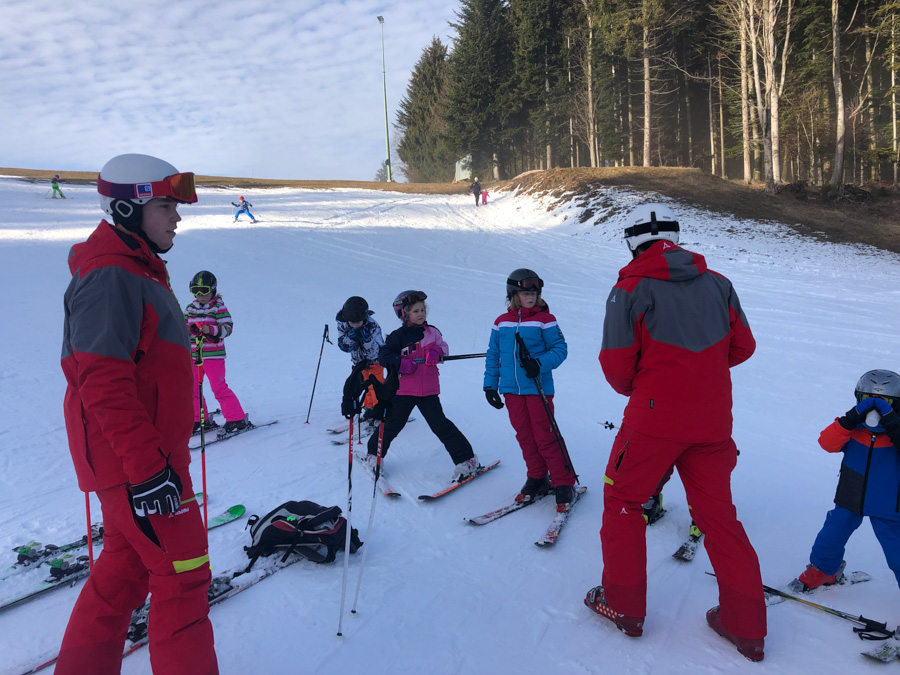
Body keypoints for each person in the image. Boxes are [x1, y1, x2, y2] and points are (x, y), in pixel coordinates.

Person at [58, 153, 218, 674]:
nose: (177, 218)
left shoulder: (137, 269)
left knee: (123, 575)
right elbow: (101, 381)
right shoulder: (111, 276)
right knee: (185, 575)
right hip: (143, 470)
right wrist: (149, 470)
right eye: (168, 206)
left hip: (145, 464)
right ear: (128, 208)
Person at [585, 203, 765, 662]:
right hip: (712, 422)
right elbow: (743, 346)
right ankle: (747, 628)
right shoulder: (718, 283)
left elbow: (617, 366)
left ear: (632, 244)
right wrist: (698, 372)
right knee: (719, 518)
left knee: (623, 502)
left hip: (653, 421)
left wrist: (657, 383)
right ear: (677, 239)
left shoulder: (628, 289)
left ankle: (624, 608)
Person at [793, 369, 900, 592]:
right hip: (850, 495)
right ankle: (824, 570)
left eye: (885, 401)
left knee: (897, 551)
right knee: (832, 533)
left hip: (889, 503)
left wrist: (894, 426)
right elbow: (827, 443)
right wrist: (849, 419)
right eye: (867, 400)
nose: (875, 407)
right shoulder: (853, 428)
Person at [483, 268, 576, 511]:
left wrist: (540, 364)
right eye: (526, 292)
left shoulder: (545, 319)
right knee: (524, 436)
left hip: (537, 388)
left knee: (545, 436)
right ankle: (537, 477)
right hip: (511, 390)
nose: (532, 296)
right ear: (514, 294)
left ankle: (563, 481)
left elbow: (560, 348)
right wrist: (490, 385)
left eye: (535, 292)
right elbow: (493, 355)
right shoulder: (501, 322)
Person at [365, 290, 480, 482]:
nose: (421, 314)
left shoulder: (432, 332)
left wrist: (436, 351)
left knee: (440, 425)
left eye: (422, 310)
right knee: (393, 424)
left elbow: (444, 347)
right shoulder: (397, 336)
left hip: (428, 390)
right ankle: (373, 455)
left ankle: (466, 460)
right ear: (404, 314)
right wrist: (399, 362)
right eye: (415, 311)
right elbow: (384, 356)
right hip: (403, 390)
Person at [184, 270, 249, 434]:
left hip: (213, 356)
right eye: (195, 291)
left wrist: (211, 329)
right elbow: (183, 325)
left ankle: (236, 419)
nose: (200, 295)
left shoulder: (218, 307)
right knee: (192, 388)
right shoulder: (190, 308)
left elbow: (228, 328)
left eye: (204, 291)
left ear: (212, 289)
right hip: (194, 355)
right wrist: (184, 329)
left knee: (218, 387)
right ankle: (199, 419)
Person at [336, 296, 385, 421]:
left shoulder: (372, 325)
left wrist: (367, 340)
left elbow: (380, 348)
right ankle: (370, 409)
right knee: (365, 386)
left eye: (358, 322)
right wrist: (351, 339)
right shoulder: (343, 324)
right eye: (352, 322)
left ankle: (381, 409)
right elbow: (344, 347)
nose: (355, 325)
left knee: (377, 386)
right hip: (358, 363)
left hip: (375, 362)